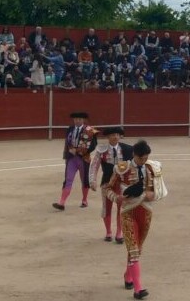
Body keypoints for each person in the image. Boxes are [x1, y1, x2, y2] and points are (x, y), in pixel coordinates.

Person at [103, 139, 158, 299]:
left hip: (146, 212)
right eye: (141, 158)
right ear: (134, 155)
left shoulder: (151, 167)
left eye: (146, 157)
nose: (144, 161)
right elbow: (107, 188)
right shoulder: (122, 168)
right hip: (128, 212)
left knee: (137, 249)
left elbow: (159, 190)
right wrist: (116, 198)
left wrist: (153, 195)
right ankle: (138, 289)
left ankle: (128, 276)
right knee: (133, 250)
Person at [90, 126, 133, 242]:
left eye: (117, 135)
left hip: (122, 183)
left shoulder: (128, 149)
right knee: (106, 207)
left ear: (120, 136)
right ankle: (108, 231)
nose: (115, 137)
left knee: (121, 207)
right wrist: (92, 180)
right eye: (113, 135)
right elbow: (94, 165)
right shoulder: (101, 150)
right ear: (108, 137)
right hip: (107, 183)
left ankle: (119, 233)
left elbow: (134, 166)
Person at [53, 112, 98, 211]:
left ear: (83, 120)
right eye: (76, 119)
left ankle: (84, 200)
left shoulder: (90, 130)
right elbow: (67, 143)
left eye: (79, 119)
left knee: (84, 180)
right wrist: (67, 154)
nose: (77, 121)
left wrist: (80, 151)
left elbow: (93, 145)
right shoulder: (70, 129)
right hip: (72, 158)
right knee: (68, 179)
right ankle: (62, 202)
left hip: (84, 158)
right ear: (73, 120)